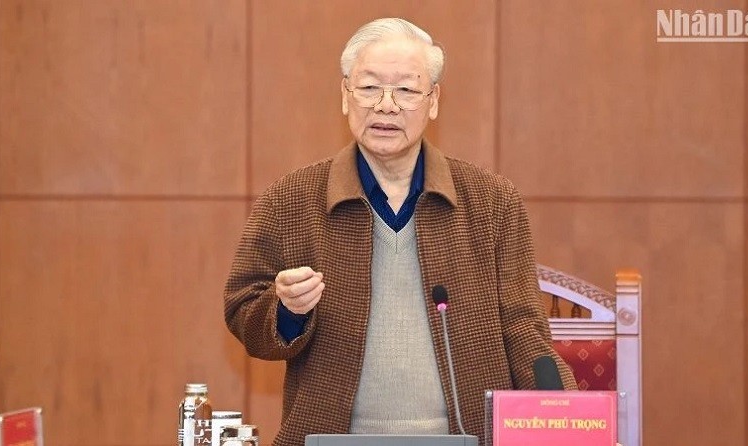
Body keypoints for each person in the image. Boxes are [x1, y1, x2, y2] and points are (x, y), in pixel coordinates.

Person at [224, 17, 576, 446]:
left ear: (433, 101)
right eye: (370, 87)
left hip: (467, 437)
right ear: (344, 94)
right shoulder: (292, 198)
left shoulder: (491, 201)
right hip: (329, 439)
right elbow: (243, 309)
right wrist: (286, 310)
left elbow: (523, 326)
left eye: (407, 90)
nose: (386, 106)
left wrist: (566, 417)